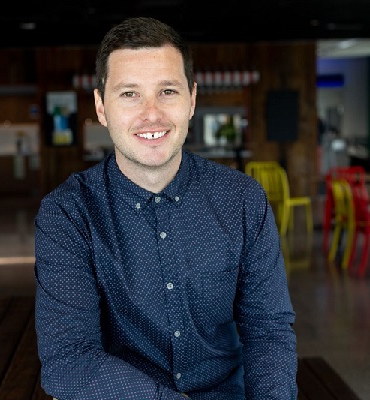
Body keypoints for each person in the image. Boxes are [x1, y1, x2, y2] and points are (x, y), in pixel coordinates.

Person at [34, 16, 298, 400]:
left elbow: (268, 330)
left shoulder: (243, 199)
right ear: (101, 107)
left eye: (167, 91)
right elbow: (68, 359)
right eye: (129, 94)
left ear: (191, 99)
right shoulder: (68, 215)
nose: (151, 113)